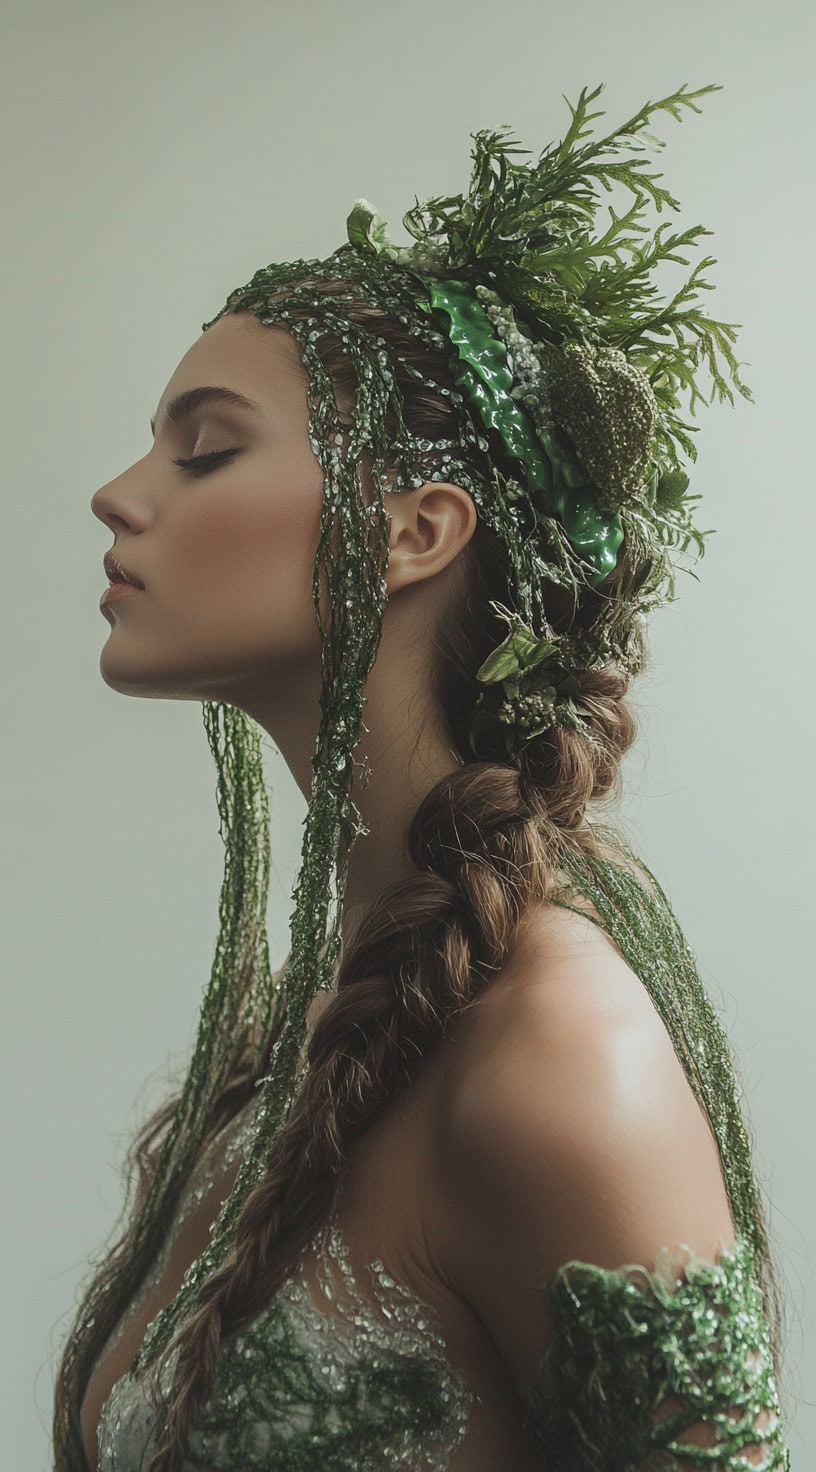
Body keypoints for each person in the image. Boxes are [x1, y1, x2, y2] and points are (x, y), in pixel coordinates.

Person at [54, 82, 792, 1471]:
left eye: (205, 448)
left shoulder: (561, 1067)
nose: (123, 492)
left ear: (414, 530)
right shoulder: (333, 1023)